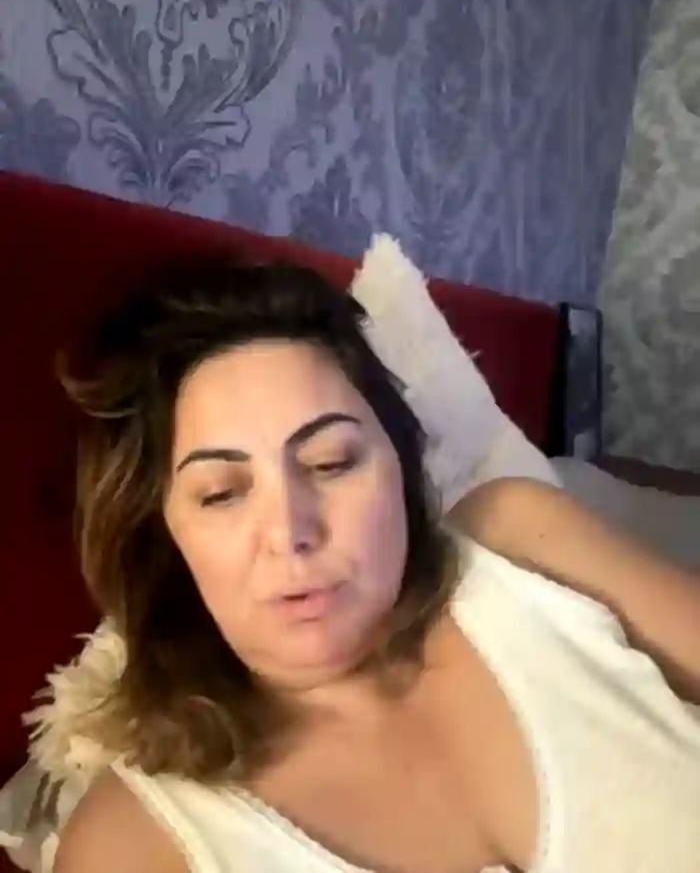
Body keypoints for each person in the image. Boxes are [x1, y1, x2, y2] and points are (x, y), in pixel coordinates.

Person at [53, 257, 700, 873]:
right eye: (221, 493)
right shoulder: (129, 843)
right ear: (166, 541)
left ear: (400, 465)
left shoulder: (520, 542)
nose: (290, 532)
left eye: (330, 462)